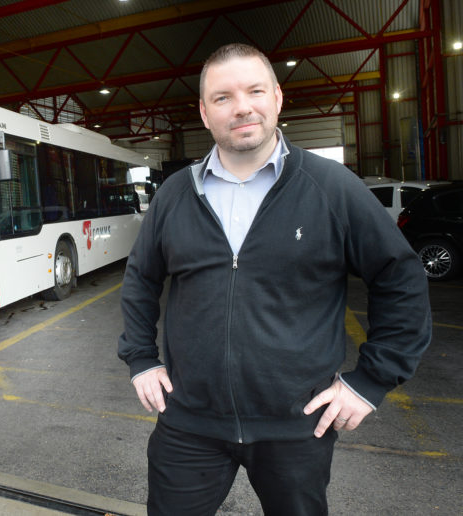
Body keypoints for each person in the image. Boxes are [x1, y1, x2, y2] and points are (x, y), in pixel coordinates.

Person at [118, 43, 431, 515]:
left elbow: (400, 277)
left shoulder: (331, 187)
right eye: (222, 97)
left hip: (296, 426)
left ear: (277, 98)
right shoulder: (175, 195)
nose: (241, 106)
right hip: (189, 423)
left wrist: (370, 381)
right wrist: (141, 359)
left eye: (254, 90)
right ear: (204, 113)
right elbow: (141, 278)